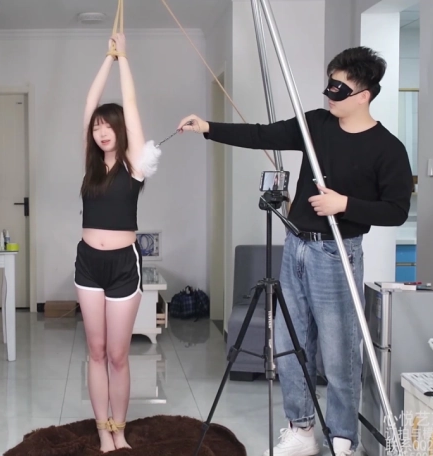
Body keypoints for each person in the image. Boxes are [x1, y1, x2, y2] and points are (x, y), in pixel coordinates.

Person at [176, 47, 413, 456]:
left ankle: (343, 437)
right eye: (329, 84)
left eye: (339, 89)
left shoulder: (387, 148)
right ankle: (301, 429)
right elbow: (262, 135)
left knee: (339, 352)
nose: (329, 94)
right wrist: (208, 127)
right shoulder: (316, 124)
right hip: (296, 247)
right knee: (289, 343)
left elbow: (396, 210)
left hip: (337, 254)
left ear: (364, 95)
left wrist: (344, 205)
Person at [75, 33, 161, 453]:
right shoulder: (90, 166)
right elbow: (89, 102)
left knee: (117, 355)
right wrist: (105, 59)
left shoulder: (135, 165)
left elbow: (131, 102)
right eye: (97, 127)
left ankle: (120, 429)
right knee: (95, 351)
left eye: (108, 126)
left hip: (125, 265)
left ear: (120, 130)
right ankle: (101, 429)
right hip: (88, 264)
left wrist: (123, 58)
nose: (101, 131)